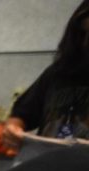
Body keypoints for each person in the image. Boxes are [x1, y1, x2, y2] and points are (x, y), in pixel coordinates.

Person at [5, 0, 89, 147]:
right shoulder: (58, 73)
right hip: (48, 165)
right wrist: (13, 130)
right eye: (83, 33)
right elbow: (22, 114)